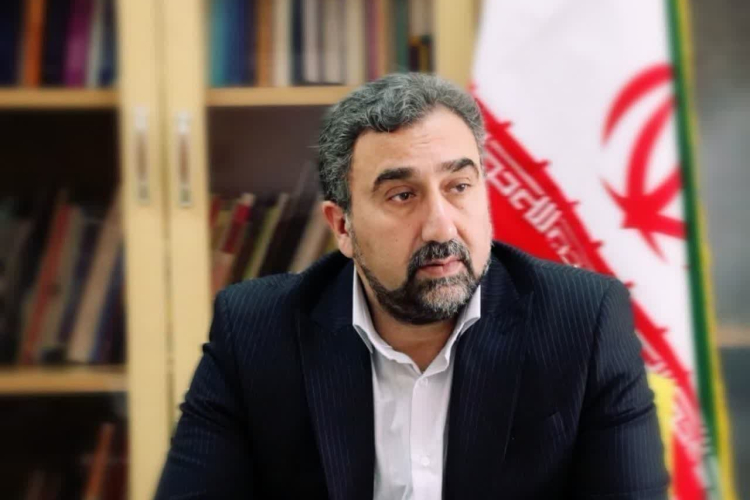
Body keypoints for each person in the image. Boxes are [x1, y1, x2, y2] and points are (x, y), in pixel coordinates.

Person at [155, 73, 668, 499]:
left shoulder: (584, 322)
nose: (441, 228)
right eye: (402, 195)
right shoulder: (255, 332)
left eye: (459, 186)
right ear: (342, 226)